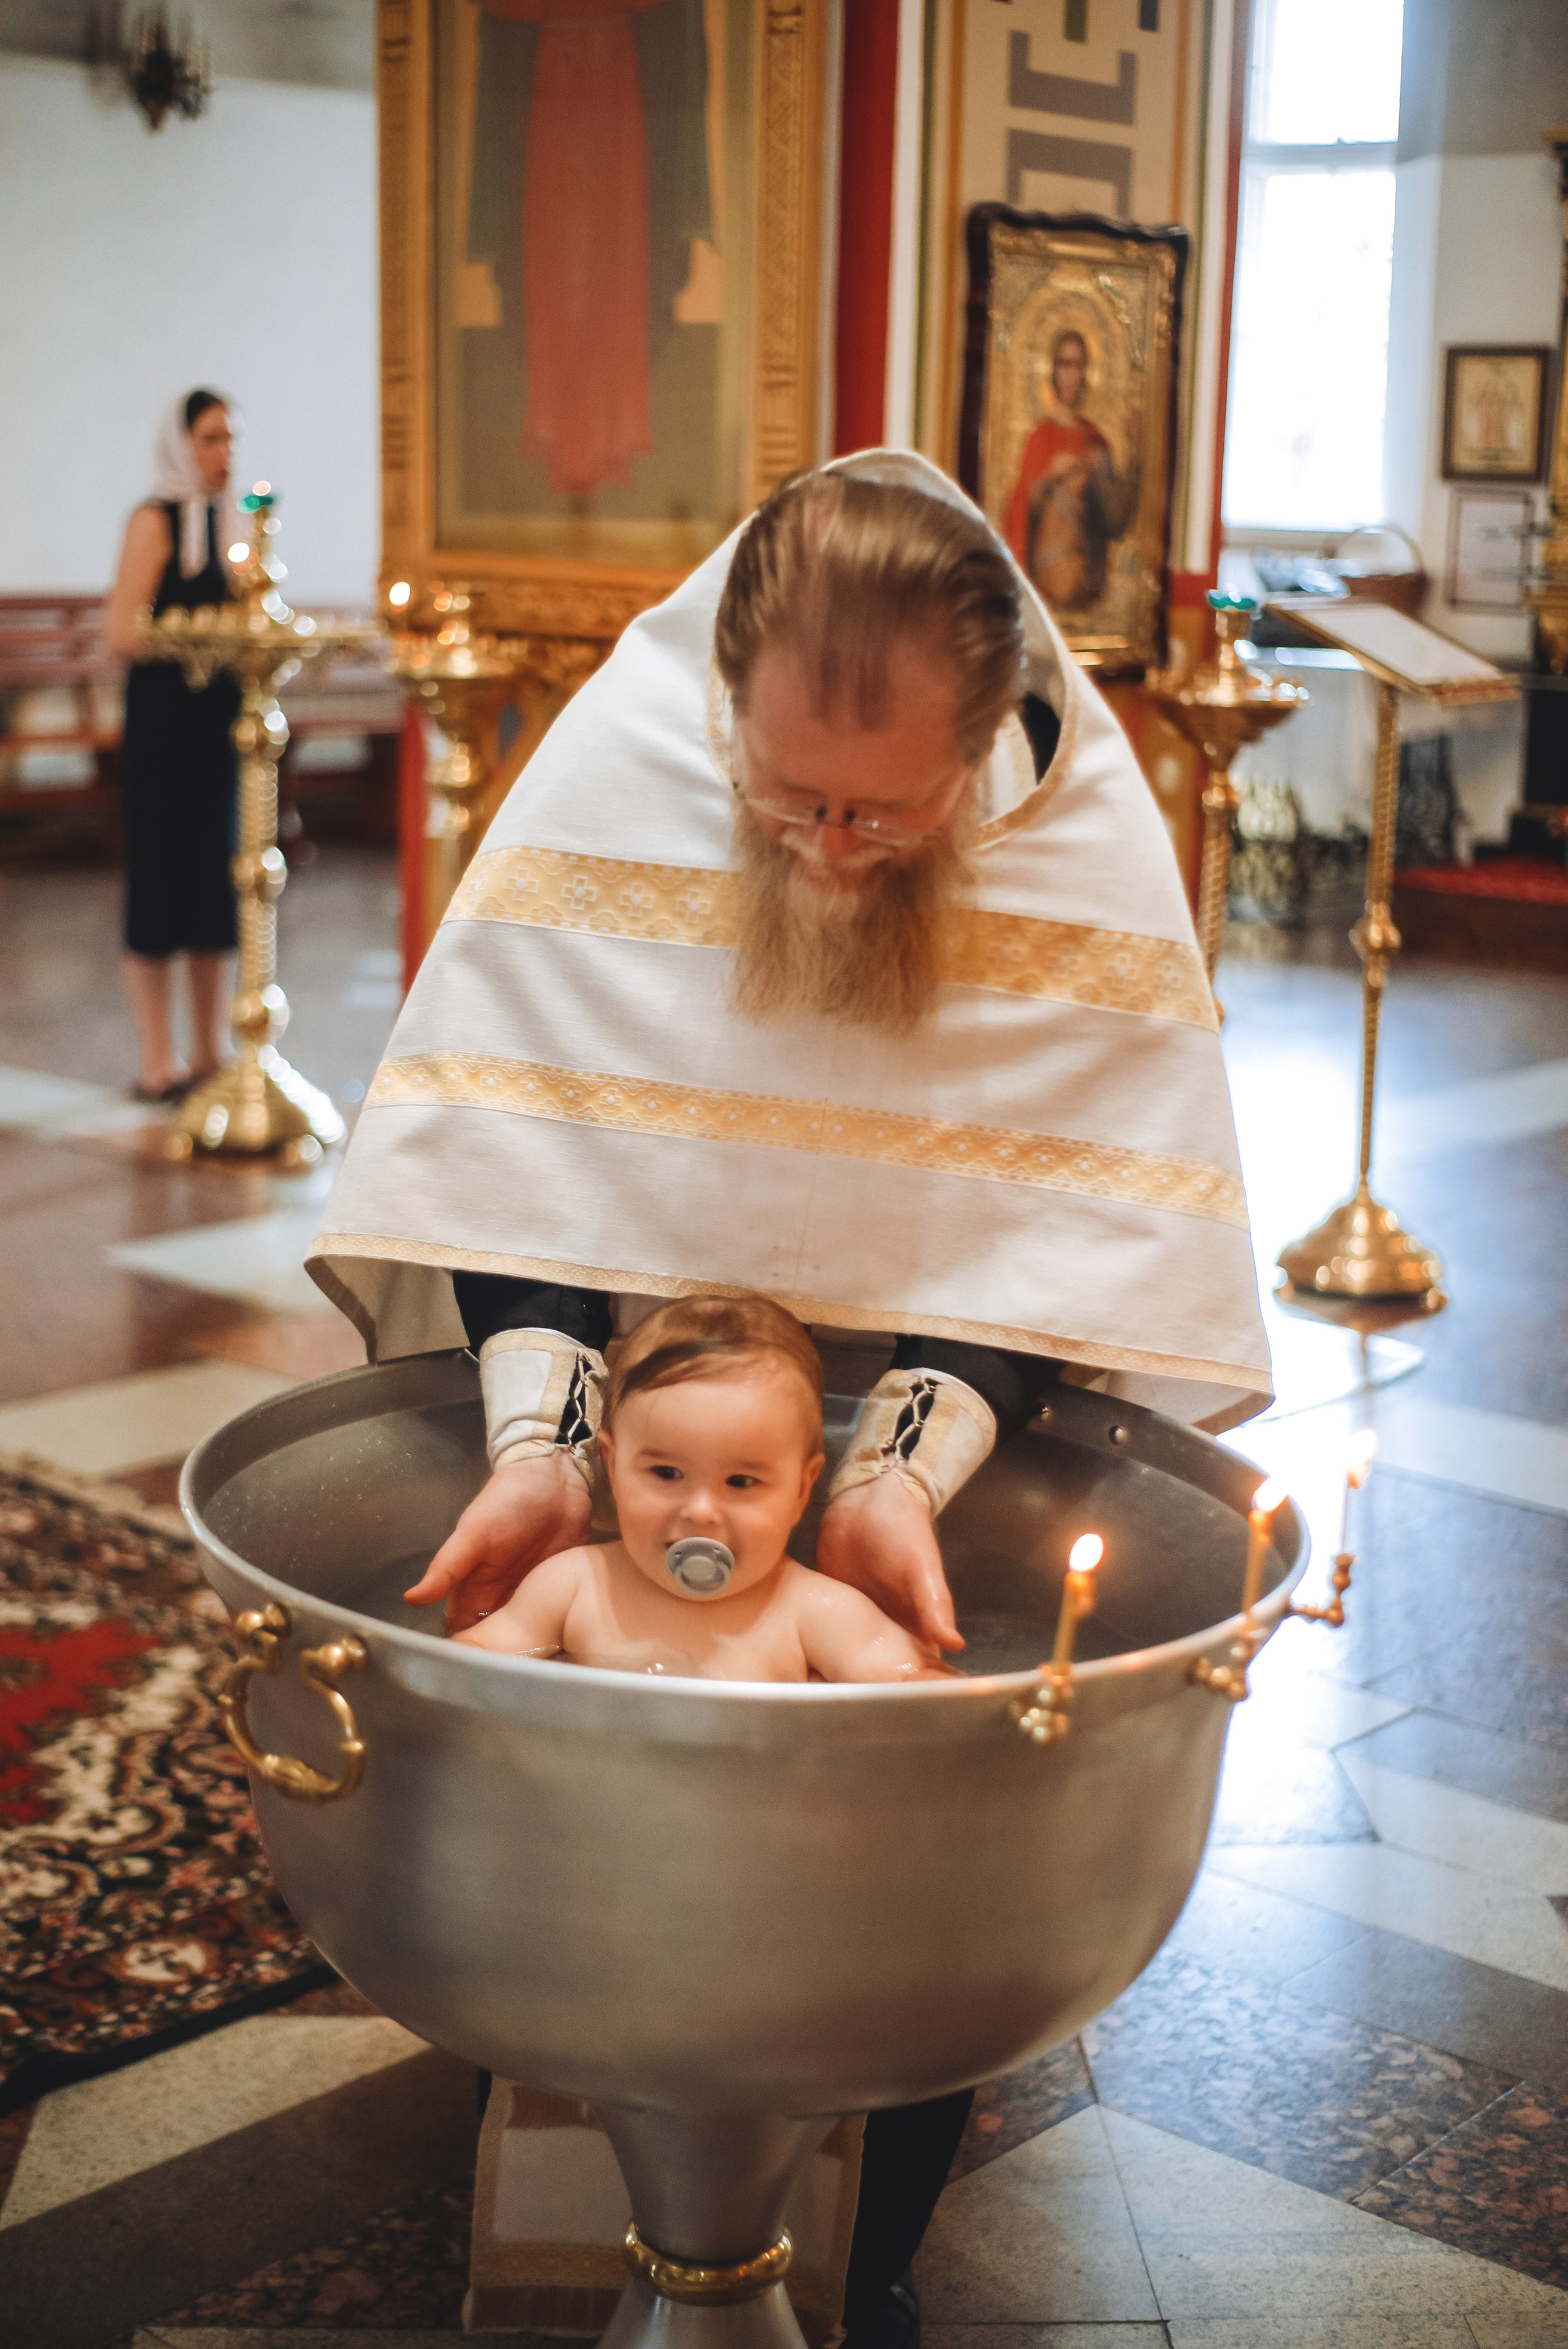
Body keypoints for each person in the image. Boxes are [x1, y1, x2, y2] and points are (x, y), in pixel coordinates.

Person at [309, 450, 1270, 2349]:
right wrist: (541, 1447)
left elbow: (1062, 1225)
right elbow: (523, 1140)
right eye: (786, 796)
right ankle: (615, 2190)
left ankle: (878, 2253)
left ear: (983, 743)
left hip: (940, 1431)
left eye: (882, 811)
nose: (827, 847)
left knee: (914, 1876)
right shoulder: (628, 769)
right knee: (613, 1852)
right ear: (715, 716)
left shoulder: (1076, 841)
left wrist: (902, 1469)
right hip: (640, 1422)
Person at [456, 1294, 955, 1681]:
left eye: (742, 1481)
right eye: (666, 1473)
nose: (701, 1511)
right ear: (612, 1464)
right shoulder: (571, 1585)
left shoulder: (816, 1612)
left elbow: (921, 1692)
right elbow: (469, 1659)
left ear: (803, 1491)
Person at [104, 390, 243, 1103]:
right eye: (211, 438)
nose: (225, 452)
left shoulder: (233, 525)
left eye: (230, 438)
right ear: (181, 443)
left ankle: (209, 1052)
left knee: (213, 889)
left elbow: (253, 617)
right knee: (159, 883)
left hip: (219, 730)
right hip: (163, 731)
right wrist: (200, 633)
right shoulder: (154, 522)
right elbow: (121, 632)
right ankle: (157, 1058)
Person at [1003, 329, 1136, 613]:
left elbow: (1112, 521)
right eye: (1064, 364)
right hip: (1044, 575)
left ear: (1086, 372)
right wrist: (1051, 476)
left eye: (1077, 365)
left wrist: (1120, 465)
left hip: (1085, 574)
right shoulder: (1039, 438)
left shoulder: (1097, 441)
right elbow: (1018, 511)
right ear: (1053, 370)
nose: (1070, 375)